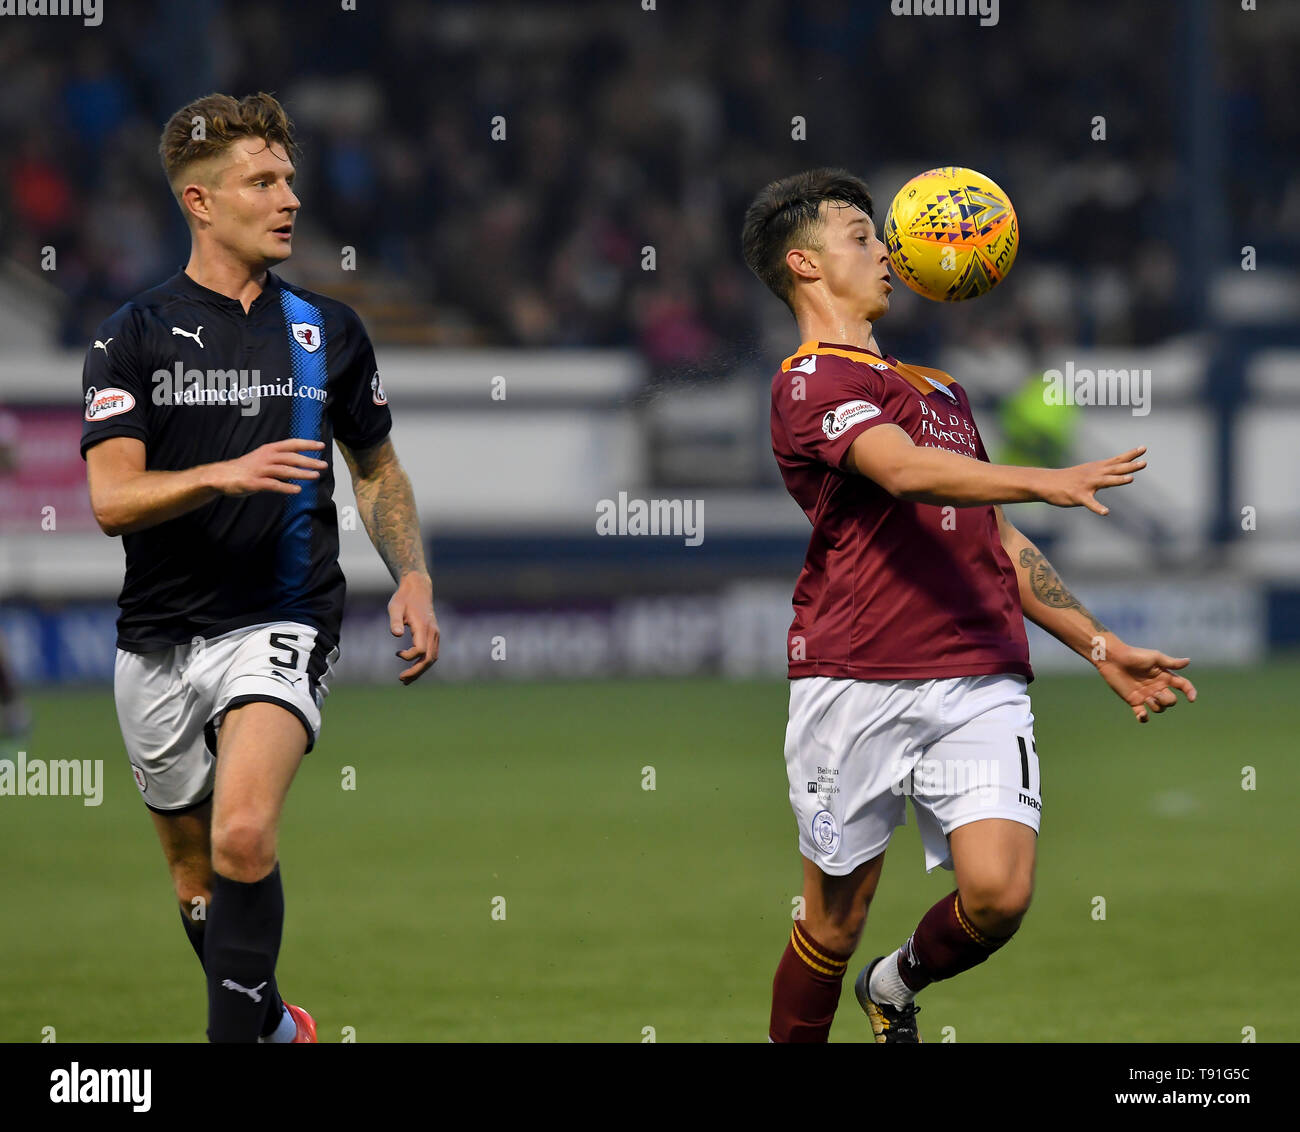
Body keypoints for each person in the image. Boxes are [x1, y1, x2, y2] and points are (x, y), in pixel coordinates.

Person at [741, 168, 1195, 1043]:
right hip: (854, 676)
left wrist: (1101, 647)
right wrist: (1045, 480)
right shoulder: (807, 383)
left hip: (979, 674)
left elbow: (994, 541)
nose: (887, 251)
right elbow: (902, 471)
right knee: (831, 922)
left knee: (1001, 893)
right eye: (862, 236)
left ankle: (895, 983)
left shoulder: (939, 389)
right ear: (804, 264)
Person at [80, 92, 439, 1043]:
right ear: (200, 202)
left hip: (282, 618)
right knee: (198, 879)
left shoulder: (329, 330)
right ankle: (277, 1028)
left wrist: (411, 569)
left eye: (289, 179)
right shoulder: (133, 337)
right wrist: (223, 474)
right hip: (155, 641)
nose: (288, 198)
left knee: (244, 834)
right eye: (262, 182)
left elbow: (377, 466)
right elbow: (111, 499)